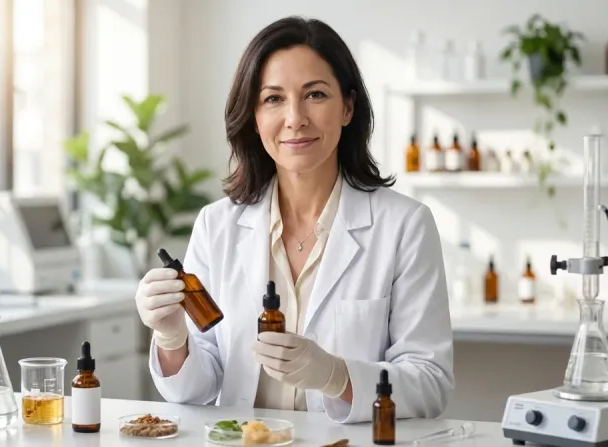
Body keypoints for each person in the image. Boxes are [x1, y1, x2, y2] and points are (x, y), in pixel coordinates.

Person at [135, 16, 453, 424]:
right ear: (253, 115)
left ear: (348, 107)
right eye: (273, 99)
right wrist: (171, 336)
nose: (295, 118)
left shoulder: (405, 225)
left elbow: (430, 383)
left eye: (315, 94)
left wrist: (339, 377)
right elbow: (198, 389)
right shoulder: (217, 226)